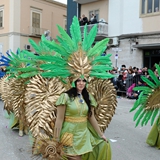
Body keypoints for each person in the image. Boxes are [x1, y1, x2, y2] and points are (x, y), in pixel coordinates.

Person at [54, 78, 111, 160]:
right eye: (78, 81)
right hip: (69, 133)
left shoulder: (88, 97)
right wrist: (56, 139)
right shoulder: (65, 97)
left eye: (84, 81)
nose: (81, 83)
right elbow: (59, 119)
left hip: (83, 134)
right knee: (73, 157)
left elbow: (91, 117)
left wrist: (101, 134)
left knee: (84, 155)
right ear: (74, 82)